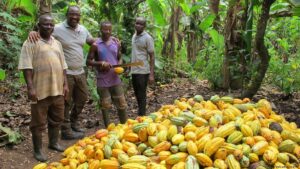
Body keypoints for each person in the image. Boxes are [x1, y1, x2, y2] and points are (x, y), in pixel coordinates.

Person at [29, 5, 95, 140]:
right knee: (66, 101)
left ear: (80, 16)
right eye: (71, 14)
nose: (74, 17)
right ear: (67, 14)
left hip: (80, 71)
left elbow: (93, 41)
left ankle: (74, 122)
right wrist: (33, 32)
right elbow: (43, 33)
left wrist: (111, 40)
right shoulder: (57, 28)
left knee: (82, 99)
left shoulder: (83, 29)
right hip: (65, 72)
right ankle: (66, 130)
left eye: (77, 15)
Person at [18, 14, 68, 162]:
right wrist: (30, 88)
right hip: (40, 90)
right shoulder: (31, 42)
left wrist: (65, 84)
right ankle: (38, 150)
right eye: (45, 24)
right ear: (38, 26)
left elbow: (63, 66)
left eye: (51, 24)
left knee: (57, 118)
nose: (49, 27)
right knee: (38, 122)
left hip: (57, 89)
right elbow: (27, 67)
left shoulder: (57, 43)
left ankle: (53, 143)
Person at [86, 21, 128, 127]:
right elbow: (88, 61)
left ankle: (125, 126)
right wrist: (101, 63)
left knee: (121, 103)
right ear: (100, 29)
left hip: (115, 78)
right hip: (103, 79)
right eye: (105, 29)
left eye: (109, 29)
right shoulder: (95, 45)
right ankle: (108, 129)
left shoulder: (116, 43)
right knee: (105, 105)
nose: (107, 31)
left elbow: (120, 57)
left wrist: (119, 65)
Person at [131, 17, 155, 116]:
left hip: (143, 71)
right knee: (137, 94)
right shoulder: (134, 36)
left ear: (144, 26)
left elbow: (152, 56)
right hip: (134, 70)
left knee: (141, 94)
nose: (138, 25)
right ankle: (141, 113)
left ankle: (142, 116)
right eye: (137, 23)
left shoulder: (147, 38)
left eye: (141, 24)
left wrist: (151, 74)